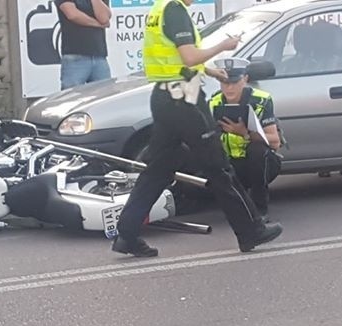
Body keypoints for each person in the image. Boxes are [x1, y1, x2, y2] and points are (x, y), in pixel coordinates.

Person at [111, 0, 283, 257]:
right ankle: (251, 230)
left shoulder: (160, 9)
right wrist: (223, 46)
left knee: (157, 169)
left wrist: (214, 73)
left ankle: (127, 233)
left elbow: (177, 61)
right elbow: (189, 57)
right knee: (219, 166)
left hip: (163, 95)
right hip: (185, 97)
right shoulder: (176, 10)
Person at [208, 57, 282, 220]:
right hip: (230, 165)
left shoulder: (261, 100)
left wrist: (245, 133)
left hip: (258, 164)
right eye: (224, 82)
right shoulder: (213, 103)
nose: (229, 87)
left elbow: (275, 141)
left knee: (257, 150)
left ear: (245, 79)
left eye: (234, 82)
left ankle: (259, 208)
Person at [55, 0, 112, 90]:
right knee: (72, 98)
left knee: (105, 96)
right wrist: (97, 24)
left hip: (99, 56)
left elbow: (104, 18)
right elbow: (72, 14)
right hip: (75, 57)